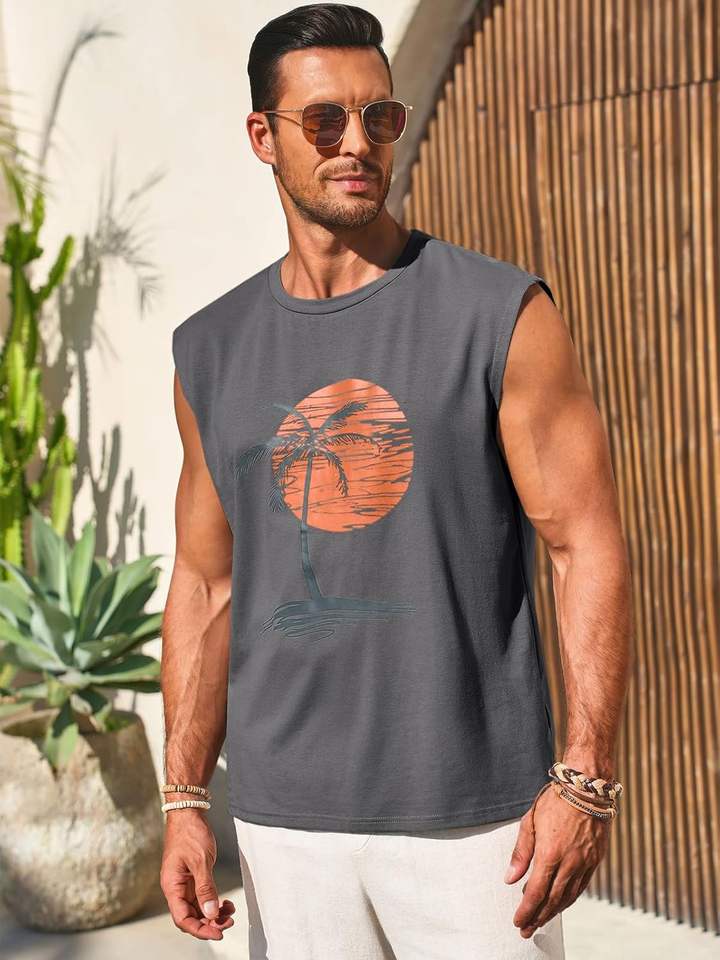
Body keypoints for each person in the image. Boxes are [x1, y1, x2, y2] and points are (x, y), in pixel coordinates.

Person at [159, 4, 634, 957]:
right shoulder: (210, 349)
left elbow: (585, 544)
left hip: (475, 826)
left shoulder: (498, 312)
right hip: (286, 826)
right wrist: (183, 798)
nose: (356, 143)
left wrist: (584, 780)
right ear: (263, 136)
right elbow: (205, 583)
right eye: (323, 120)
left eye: (379, 116)